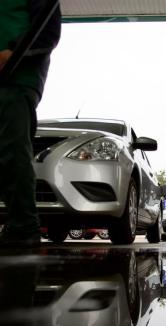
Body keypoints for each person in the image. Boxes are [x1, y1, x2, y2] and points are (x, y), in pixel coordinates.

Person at [0, 0, 62, 248]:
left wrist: (13, 53)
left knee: (11, 150)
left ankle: (23, 226)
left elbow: (46, 28)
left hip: (16, 77)